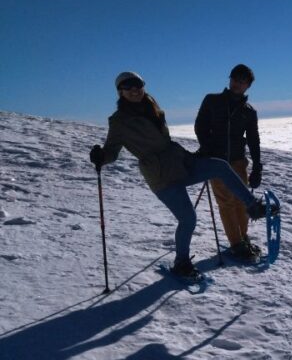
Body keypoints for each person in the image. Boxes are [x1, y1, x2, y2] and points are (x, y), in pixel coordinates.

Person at [89, 71, 268, 279]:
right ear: (120, 92)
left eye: (137, 85)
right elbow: (111, 151)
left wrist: (256, 166)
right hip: (160, 174)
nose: (134, 90)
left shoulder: (152, 106)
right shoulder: (119, 121)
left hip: (180, 162)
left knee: (219, 166)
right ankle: (181, 263)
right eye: (128, 87)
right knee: (188, 219)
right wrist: (101, 157)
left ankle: (253, 206)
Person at [194, 64, 263, 262]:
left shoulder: (249, 111)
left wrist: (257, 167)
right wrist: (207, 149)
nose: (237, 84)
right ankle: (236, 244)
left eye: (242, 81)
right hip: (216, 161)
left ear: (248, 86)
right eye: (235, 79)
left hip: (238, 161)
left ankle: (242, 237)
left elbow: (253, 140)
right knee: (227, 202)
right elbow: (200, 126)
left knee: (242, 201)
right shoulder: (212, 100)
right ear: (230, 79)